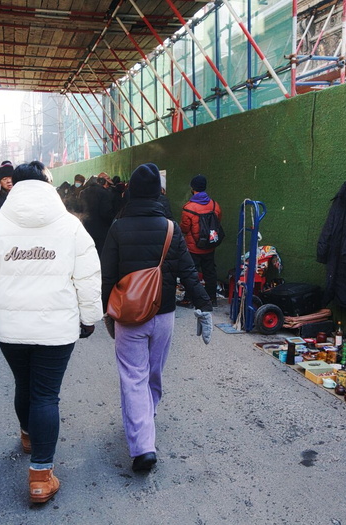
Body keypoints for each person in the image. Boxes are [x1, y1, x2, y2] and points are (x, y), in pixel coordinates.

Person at [0, 160, 102, 504]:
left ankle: (28, 436)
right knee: (45, 394)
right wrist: (89, 317)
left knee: (24, 384)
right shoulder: (70, 226)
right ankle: (40, 476)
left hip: (10, 330)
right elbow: (87, 275)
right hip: (57, 330)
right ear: (48, 184)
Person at [101, 162, 213, 473]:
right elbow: (188, 272)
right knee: (152, 373)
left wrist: (105, 312)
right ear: (157, 194)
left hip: (129, 316)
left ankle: (142, 448)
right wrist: (204, 306)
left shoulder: (117, 228)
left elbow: (107, 275)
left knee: (133, 377)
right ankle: (145, 419)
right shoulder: (171, 228)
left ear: (131, 193)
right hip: (164, 314)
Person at [180, 175, 222, 306]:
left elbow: (185, 228)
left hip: (194, 247)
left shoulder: (188, 207)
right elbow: (217, 222)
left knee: (191, 273)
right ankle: (212, 299)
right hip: (210, 245)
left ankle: (189, 299)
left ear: (193, 189)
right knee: (210, 272)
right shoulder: (215, 205)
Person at [79, 173, 115, 254]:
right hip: (101, 232)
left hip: (86, 230)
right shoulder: (104, 193)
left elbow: (80, 211)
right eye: (107, 183)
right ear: (102, 182)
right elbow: (105, 213)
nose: (108, 186)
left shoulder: (83, 193)